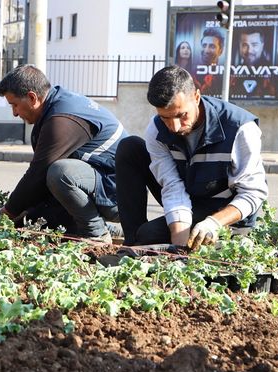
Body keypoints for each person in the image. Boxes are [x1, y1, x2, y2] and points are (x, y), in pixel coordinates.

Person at [115, 65, 268, 250]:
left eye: (181, 115)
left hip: (226, 212)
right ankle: (132, 244)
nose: (175, 126)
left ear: (196, 97)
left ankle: (229, 239)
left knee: (150, 235)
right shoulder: (156, 130)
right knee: (130, 147)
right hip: (191, 199)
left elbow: (253, 193)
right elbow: (173, 187)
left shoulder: (239, 128)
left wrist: (214, 223)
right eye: (165, 118)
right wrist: (179, 248)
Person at [0, 64, 128, 242]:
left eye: (15, 105)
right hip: (104, 183)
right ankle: (106, 228)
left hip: (120, 196)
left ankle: (96, 234)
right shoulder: (54, 107)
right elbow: (41, 185)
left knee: (60, 173)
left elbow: (38, 174)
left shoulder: (61, 120)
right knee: (39, 213)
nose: (15, 113)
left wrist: (7, 213)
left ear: (32, 98)